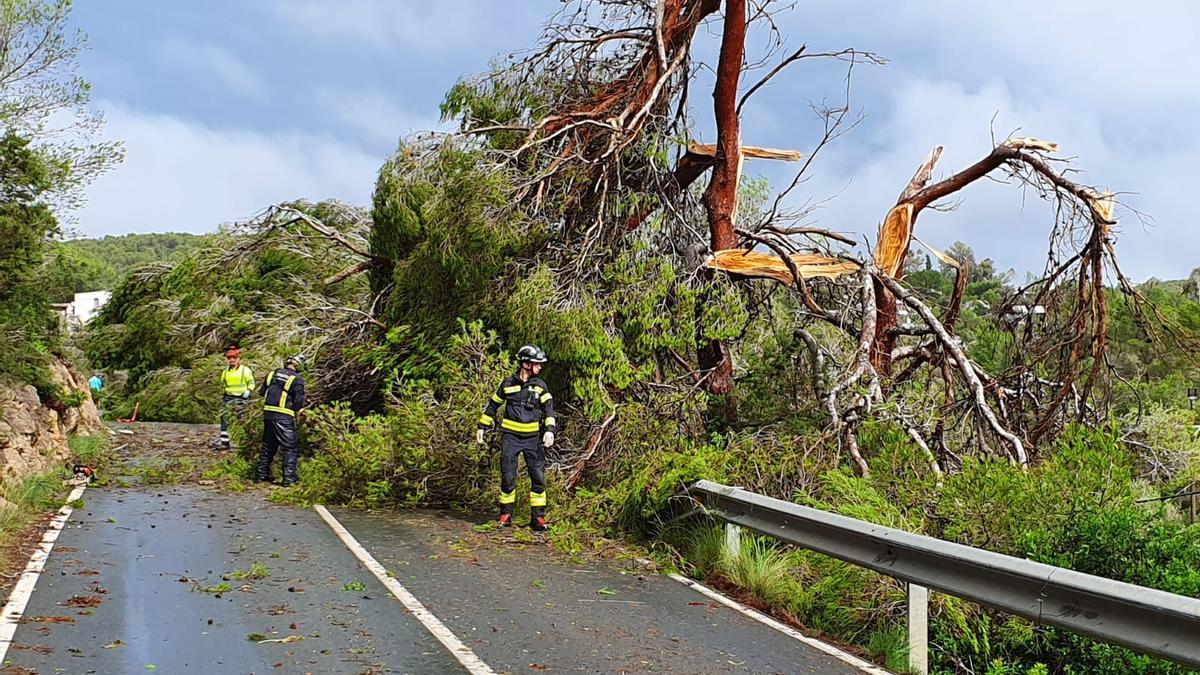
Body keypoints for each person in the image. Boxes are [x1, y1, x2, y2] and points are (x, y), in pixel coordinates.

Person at [477, 345, 556, 532]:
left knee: (537, 478)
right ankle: (505, 515)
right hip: (510, 439)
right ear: (526, 364)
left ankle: (538, 519)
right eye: (537, 364)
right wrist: (482, 426)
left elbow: (549, 410)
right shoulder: (507, 384)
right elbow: (492, 406)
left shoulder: (540, 386)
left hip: (532, 440)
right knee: (508, 477)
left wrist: (550, 430)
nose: (540, 367)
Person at [256, 354, 306, 486]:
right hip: (284, 416)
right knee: (290, 447)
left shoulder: (272, 374)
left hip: (268, 414)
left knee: (268, 446)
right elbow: (298, 402)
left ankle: (261, 476)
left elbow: (261, 392)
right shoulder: (297, 379)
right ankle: (289, 479)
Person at [217, 346, 255, 451]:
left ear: (239, 359)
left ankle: (249, 442)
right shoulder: (225, 371)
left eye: (234, 358)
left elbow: (251, 383)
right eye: (229, 358)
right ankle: (224, 443)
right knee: (224, 418)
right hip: (228, 397)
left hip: (241, 398)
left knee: (242, 419)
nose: (232, 360)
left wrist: (248, 391)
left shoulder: (245, 370)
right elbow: (223, 383)